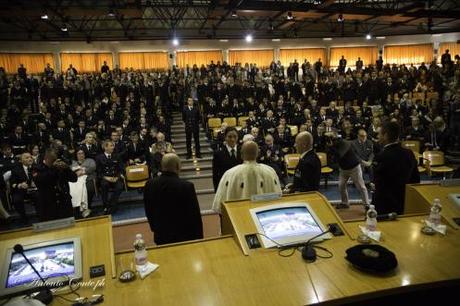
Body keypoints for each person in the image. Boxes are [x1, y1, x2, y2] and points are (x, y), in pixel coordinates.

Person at [143, 153, 203, 245]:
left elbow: (148, 210)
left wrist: (154, 228)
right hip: (184, 236)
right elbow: (194, 215)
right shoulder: (186, 186)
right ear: (178, 167)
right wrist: (199, 239)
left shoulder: (150, 184)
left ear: (162, 166)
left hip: (161, 234)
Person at [212, 141, 282, 214]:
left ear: (241, 154)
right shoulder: (270, 171)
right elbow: (278, 197)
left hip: (239, 217)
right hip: (264, 216)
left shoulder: (230, 174)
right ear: (258, 154)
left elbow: (220, 206)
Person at [373, 121, 420, 214]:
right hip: (404, 203)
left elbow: (378, 185)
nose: (378, 137)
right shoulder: (409, 153)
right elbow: (416, 179)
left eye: (379, 134)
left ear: (385, 135)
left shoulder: (381, 156)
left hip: (385, 206)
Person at [33, 148, 77, 222]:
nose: (55, 161)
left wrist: (66, 168)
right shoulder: (38, 168)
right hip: (48, 203)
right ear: (46, 158)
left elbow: (74, 179)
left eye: (55, 159)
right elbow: (43, 180)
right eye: (52, 160)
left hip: (64, 201)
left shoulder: (60, 167)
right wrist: (53, 168)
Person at [329, 135, 370, 209]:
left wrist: (331, 146)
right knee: (341, 185)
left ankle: (367, 204)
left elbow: (339, 155)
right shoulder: (336, 145)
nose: (332, 142)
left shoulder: (345, 144)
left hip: (354, 168)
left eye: (333, 140)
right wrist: (331, 146)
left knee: (361, 186)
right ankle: (345, 203)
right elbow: (334, 157)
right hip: (343, 169)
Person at [95, 140, 124, 214]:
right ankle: (106, 206)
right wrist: (106, 178)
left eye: (113, 146)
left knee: (120, 186)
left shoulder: (116, 156)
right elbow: (98, 172)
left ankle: (110, 204)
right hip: (105, 178)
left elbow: (121, 169)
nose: (113, 147)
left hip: (115, 177)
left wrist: (117, 177)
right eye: (111, 146)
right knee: (104, 185)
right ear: (105, 147)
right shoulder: (99, 157)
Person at [10, 153, 37, 224]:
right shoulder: (15, 170)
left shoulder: (36, 167)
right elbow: (12, 184)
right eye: (27, 158)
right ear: (21, 161)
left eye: (30, 157)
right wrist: (20, 185)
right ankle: (23, 217)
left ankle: (41, 214)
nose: (30, 159)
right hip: (21, 191)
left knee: (40, 195)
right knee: (16, 200)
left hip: (34, 190)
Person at [212, 127, 242, 191]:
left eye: (235, 136)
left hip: (241, 187)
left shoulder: (243, 151)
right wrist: (217, 191)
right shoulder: (218, 154)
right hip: (225, 188)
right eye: (229, 137)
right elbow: (215, 175)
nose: (232, 139)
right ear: (225, 137)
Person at [71, 149, 96, 215]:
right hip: (77, 182)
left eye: (82, 153)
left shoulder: (90, 160)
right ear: (76, 155)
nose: (81, 155)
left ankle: (87, 207)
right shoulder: (73, 162)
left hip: (88, 179)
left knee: (89, 189)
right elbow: (71, 170)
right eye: (79, 154)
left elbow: (93, 167)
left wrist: (83, 171)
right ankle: (78, 209)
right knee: (75, 191)